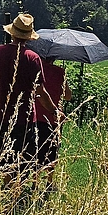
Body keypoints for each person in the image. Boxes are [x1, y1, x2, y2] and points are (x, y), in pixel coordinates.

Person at [0, 13, 59, 188]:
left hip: (1, 117)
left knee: (6, 157)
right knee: (25, 159)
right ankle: (16, 196)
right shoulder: (33, 58)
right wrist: (54, 111)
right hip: (25, 119)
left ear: (12, 33)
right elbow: (40, 92)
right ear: (29, 37)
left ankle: (7, 190)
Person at [33, 57, 72, 188]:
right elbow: (68, 96)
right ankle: (49, 182)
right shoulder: (59, 72)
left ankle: (34, 181)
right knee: (52, 151)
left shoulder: (36, 70)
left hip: (36, 116)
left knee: (35, 150)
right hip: (54, 119)